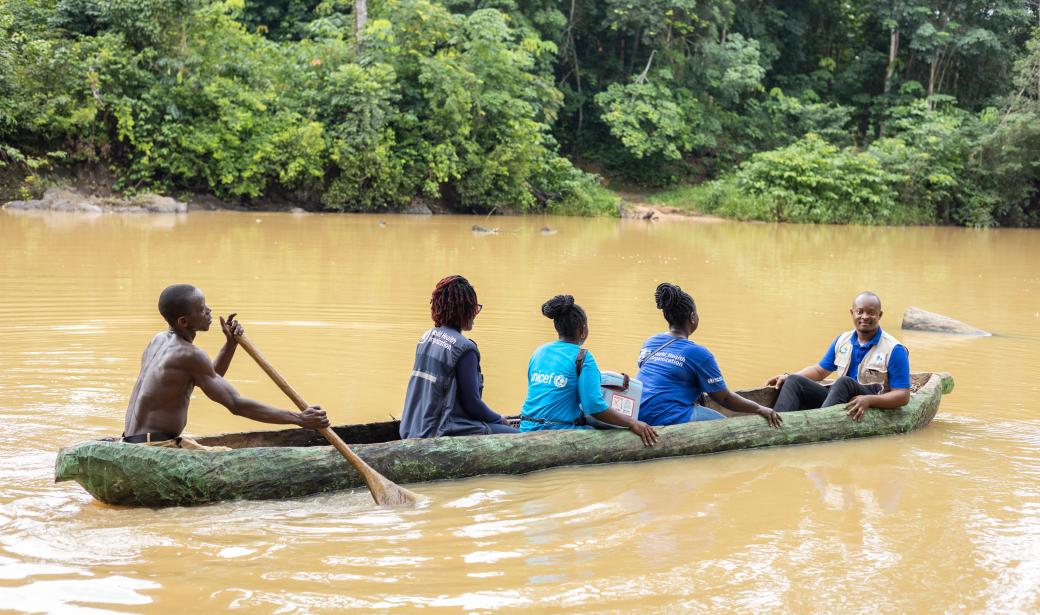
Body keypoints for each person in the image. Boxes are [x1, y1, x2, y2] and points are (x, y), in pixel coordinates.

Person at [122, 284, 329, 451]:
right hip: (158, 447)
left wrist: (231, 344)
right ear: (184, 321)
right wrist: (299, 419)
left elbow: (210, 378)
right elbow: (235, 404)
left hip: (132, 442)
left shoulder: (158, 341)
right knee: (234, 461)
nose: (209, 311)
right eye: (202, 309)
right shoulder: (189, 354)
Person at [518, 294, 659, 447]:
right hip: (555, 431)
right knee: (604, 432)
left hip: (526, 427)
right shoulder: (583, 357)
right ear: (582, 330)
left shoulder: (539, 352)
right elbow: (594, 407)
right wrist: (632, 423)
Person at [636, 283, 783, 428]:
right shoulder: (698, 353)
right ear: (692, 317)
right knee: (730, 429)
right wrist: (759, 408)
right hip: (667, 416)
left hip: (638, 413)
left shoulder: (650, 342)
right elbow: (724, 398)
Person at [399, 275, 518, 438]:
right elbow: (473, 405)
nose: (476, 313)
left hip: (411, 429)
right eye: (473, 308)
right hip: (440, 433)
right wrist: (499, 419)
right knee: (518, 435)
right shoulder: (465, 349)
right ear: (462, 310)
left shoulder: (426, 337)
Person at [766, 291, 911, 421]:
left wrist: (869, 400)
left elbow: (902, 395)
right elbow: (819, 371)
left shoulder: (894, 349)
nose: (865, 317)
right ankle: (778, 422)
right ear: (852, 313)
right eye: (859, 312)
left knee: (843, 382)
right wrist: (787, 376)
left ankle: (819, 423)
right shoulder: (843, 340)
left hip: (870, 401)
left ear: (879, 315)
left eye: (871, 313)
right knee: (794, 380)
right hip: (839, 397)